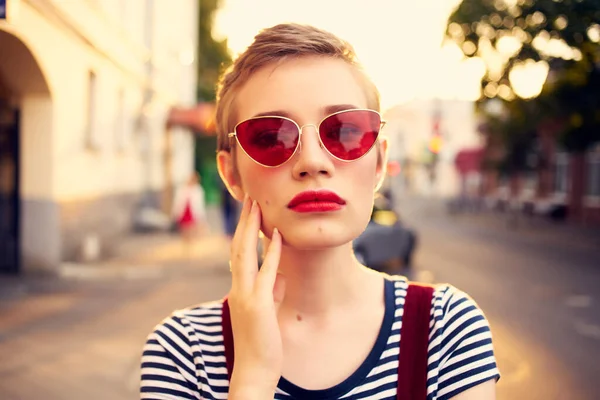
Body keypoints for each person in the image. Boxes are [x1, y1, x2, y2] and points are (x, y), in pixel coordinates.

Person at [141, 23, 499, 399]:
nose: (311, 162)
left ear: (379, 162)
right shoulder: (183, 351)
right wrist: (253, 376)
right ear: (231, 174)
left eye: (345, 131)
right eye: (270, 136)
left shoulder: (444, 329)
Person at [171, 172, 207, 254]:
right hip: (184, 211)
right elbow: (178, 202)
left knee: (191, 228)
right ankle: (185, 244)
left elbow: (200, 204)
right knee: (184, 228)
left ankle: (190, 245)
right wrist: (175, 213)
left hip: (193, 212)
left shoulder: (198, 190)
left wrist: (202, 217)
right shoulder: (182, 189)